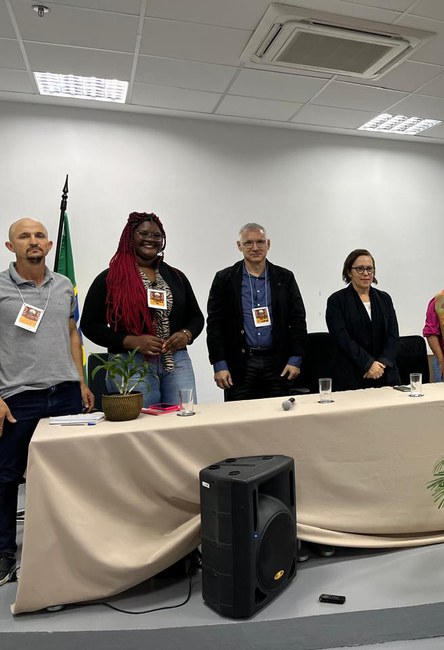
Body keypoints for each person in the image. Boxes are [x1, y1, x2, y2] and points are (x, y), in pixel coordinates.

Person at [1, 218, 94, 585]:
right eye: (24, 236)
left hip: (66, 393)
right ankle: (4, 552)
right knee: (7, 477)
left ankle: (69, 544)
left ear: (50, 244)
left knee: (69, 473)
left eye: (39, 235)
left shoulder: (64, 285)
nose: (33, 241)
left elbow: (72, 332)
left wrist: (81, 381)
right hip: (17, 397)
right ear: (11, 247)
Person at [81, 212, 203, 406]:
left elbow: (196, 317)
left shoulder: (176, 277)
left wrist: (186, 334)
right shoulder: (110, 278)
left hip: (176, 360)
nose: (150, 239)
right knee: (141, 421)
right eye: (143, 233)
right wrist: (132, 341)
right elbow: (90, 325)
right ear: (130, 237)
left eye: (156, 235)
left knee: (183, 415)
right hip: (130, 363)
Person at [206, 223, 307, 401]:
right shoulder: (224, 279)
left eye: (260, 242)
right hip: (240, 364)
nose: (255, 248)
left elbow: (298, 319)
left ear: (268, 244)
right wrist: (219, 364)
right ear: (239, 246)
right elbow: (215, 325)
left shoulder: (285, 277)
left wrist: (295, 359)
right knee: (240, 415)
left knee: (279, 414)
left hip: (278, 363)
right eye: (248, 243)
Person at [325, 249, 400, 391]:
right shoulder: (336, 301)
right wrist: (368, 364)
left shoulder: (384, 298)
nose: (366, 273)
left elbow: (393, 336)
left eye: (370, 269)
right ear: (349, 272)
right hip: (352, 374)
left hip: (384, 372)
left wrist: (381, 364)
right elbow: (342, 338)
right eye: (360, 269)